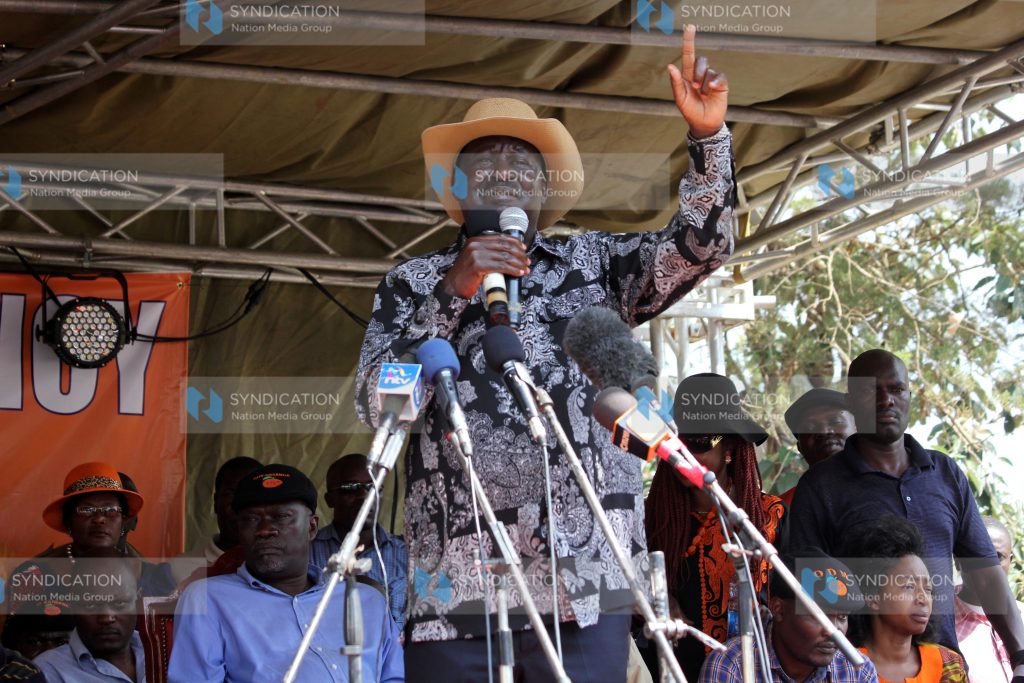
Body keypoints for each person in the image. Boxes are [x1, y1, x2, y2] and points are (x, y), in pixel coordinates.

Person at [355, 24, 734, 681]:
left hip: (584, 584)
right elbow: (379, 404)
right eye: (487, 164)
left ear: (542, 190)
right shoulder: (412, 282)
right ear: (460, 190)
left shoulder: (595, 264)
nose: (504, 175)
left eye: (521, 166)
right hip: (456, 590)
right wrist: (455, 290)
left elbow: (699, 249)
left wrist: (708, 142)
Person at [787, 349, 1024, 671]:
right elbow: (809, 593)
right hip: (861, 669)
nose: (886, 401)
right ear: (853, 402)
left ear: (910, 395)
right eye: (871, 391)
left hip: (944, 667)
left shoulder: (945, 472)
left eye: (896, 389)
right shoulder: (821, 485)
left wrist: (1020, 657)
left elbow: (985, 573)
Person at [168, 464, 403, 683]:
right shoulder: (208, 598)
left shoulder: (366, 600)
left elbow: (396, 677)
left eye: (281, 517)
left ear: (312, 527)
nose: (265, 530)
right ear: (239, 531)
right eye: (251, 520)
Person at [645, 373, 786, 681]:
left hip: (754, 671)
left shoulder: (768, 516)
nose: (687, 454)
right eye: (679, 442)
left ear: (730, 448)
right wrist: (660, 599)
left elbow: (790, 603)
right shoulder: (652, 518)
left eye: (701, 442)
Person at [8, 463, 174, 623]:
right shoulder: (33, 576)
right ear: (68, 523)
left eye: (110, 510)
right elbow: (17, 642)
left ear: (123, 522)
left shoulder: (154, 578)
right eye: (86, 510)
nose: (100, 519)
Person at [700, 550, 879, 682]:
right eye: (819, 616)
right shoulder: (732, 665)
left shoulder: (858, 672)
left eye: (842, 617)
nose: (833, 632)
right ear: (778, 609)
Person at [844, 515, 967, 683]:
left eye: (928, 589)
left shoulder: (949, 665)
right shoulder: (843, 668)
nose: (923, 599)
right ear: (872, 598)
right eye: (909, 586)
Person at [309, 453, 408, 629]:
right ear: (329, 500)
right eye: (351, 487)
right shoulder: (307, 552)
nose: (364, 496)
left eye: (372, 487)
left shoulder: (406, 553)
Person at [33, 557, 147, 682]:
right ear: (72, 606)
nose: (106, 618)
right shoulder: (47, 671)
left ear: (138, 601)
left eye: (119, 603)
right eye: (91, 605)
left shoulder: (164, 650)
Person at [171, 456, 262, 583]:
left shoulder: (283, 570)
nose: (240, 505)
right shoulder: (178, 569)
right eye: (231, 494)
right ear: (215, 502)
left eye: (251, 495)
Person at [955, 516, 1024, 683]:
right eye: (976, 556)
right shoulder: (936, 621)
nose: (988, 566)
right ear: (958, 562)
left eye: (997, 557)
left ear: (1010, 561)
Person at [778, 388, 856, 506]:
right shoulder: (782, 511)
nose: (824, 432)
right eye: (809, 428)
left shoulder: (890, 488)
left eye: (836, 421)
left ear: (858, 429)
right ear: (800, 447)